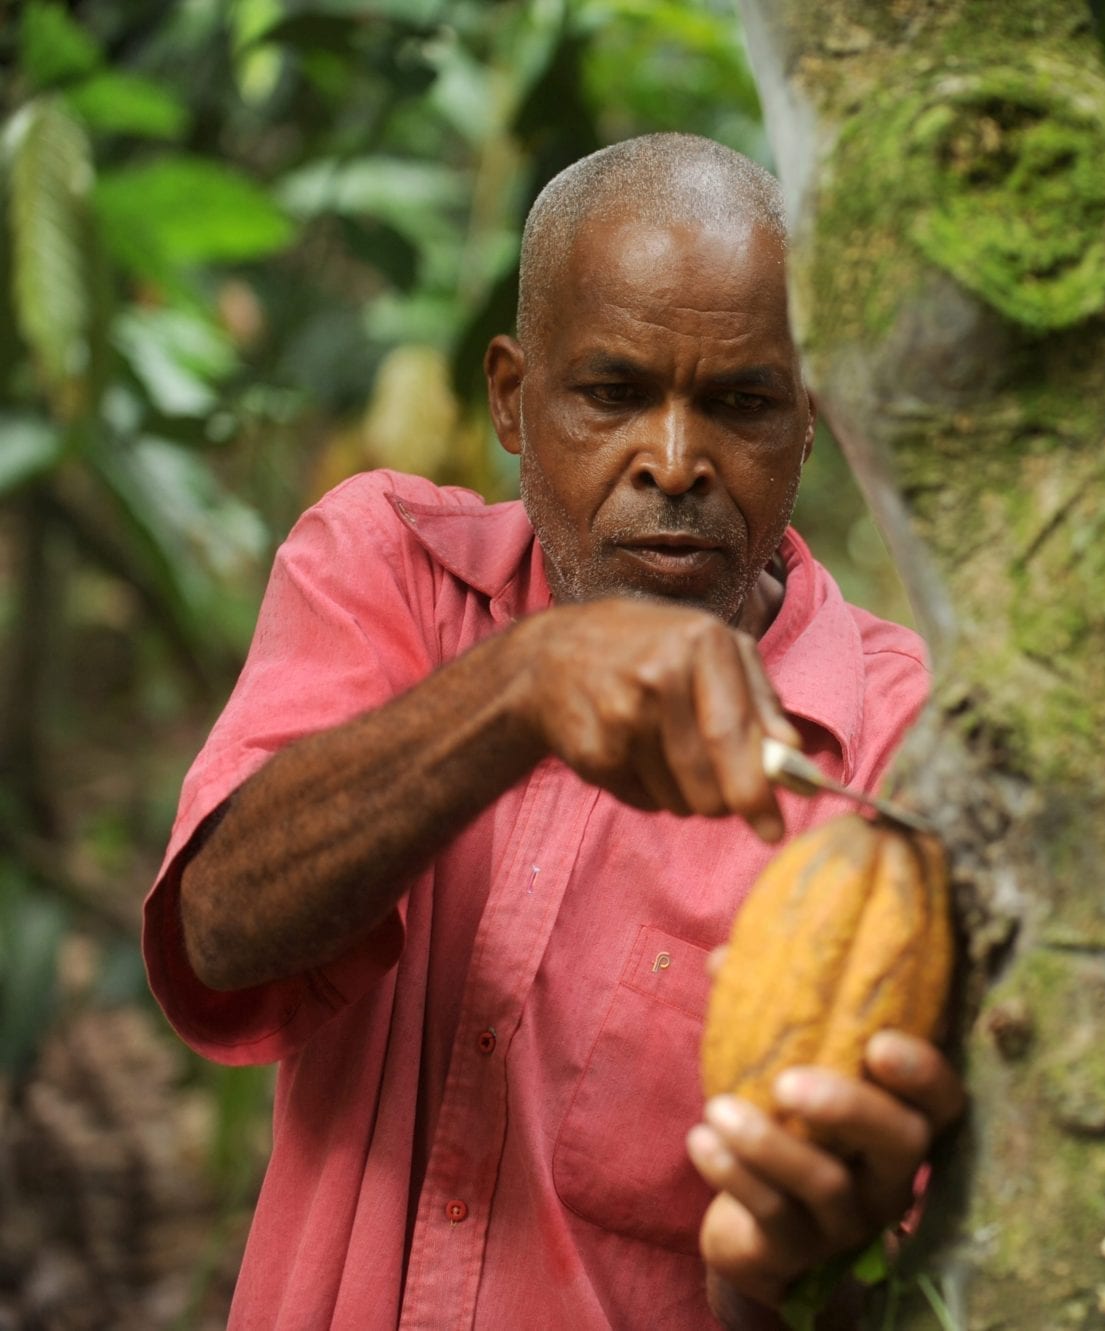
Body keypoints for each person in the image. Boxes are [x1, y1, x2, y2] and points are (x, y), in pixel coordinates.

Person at [142, 134, 962, 1330]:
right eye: (614, 393)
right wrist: (517, 685)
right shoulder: (388, 569)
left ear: (807, 422)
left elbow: (893, 1266)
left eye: (738, 404)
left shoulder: (894, 756)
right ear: (512, 397)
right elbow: (221, 926)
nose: (674, 463)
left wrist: (779, 1266)